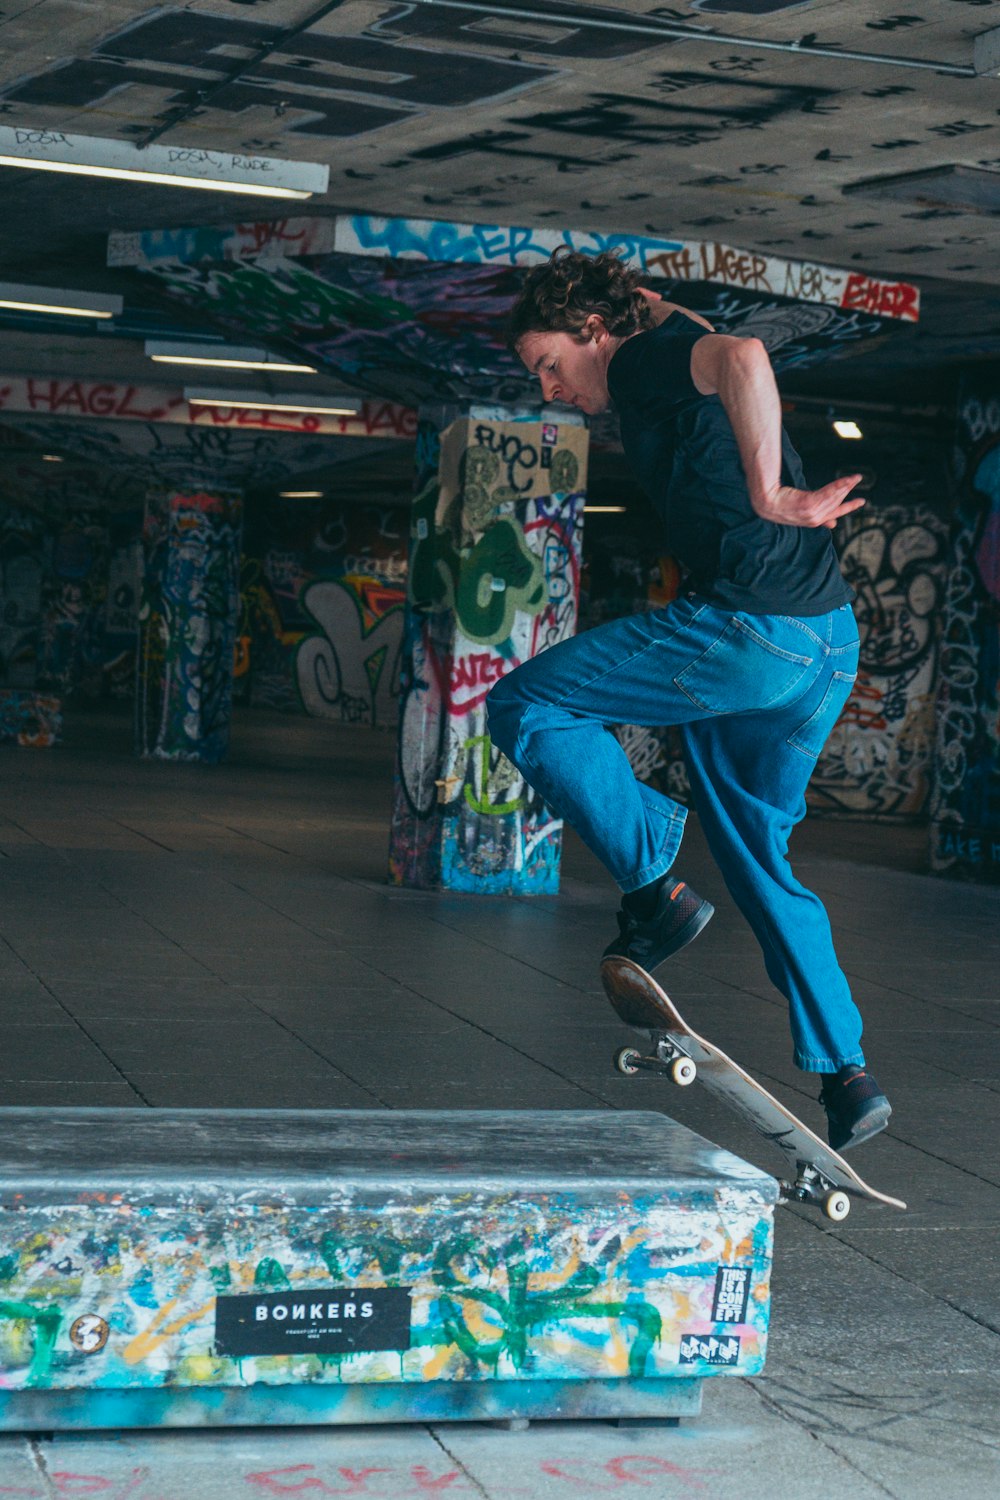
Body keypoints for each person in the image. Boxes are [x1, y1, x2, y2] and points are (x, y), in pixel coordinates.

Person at [486, 248, 891, 1152]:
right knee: (758, 854)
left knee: (526, 708)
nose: (551, 388)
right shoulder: (659, 334)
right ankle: (845, 1073)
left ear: (593, 332)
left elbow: (742, 357)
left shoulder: (640, 360)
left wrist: (768, 492)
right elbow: (692, 330)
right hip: (826, 645)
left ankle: (656, 886)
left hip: (749, 637)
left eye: (549, 362)